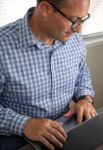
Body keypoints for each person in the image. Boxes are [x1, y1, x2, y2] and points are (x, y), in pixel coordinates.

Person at [0, 0, 96, 149]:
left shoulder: (74, 38)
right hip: (17, 140)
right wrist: (24, 124)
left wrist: (85, 99)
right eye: (73, 20)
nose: (79, 30)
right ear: (45, 9)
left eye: (82, 20)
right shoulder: (2, 47)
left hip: (64, 131)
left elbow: (82, 75)